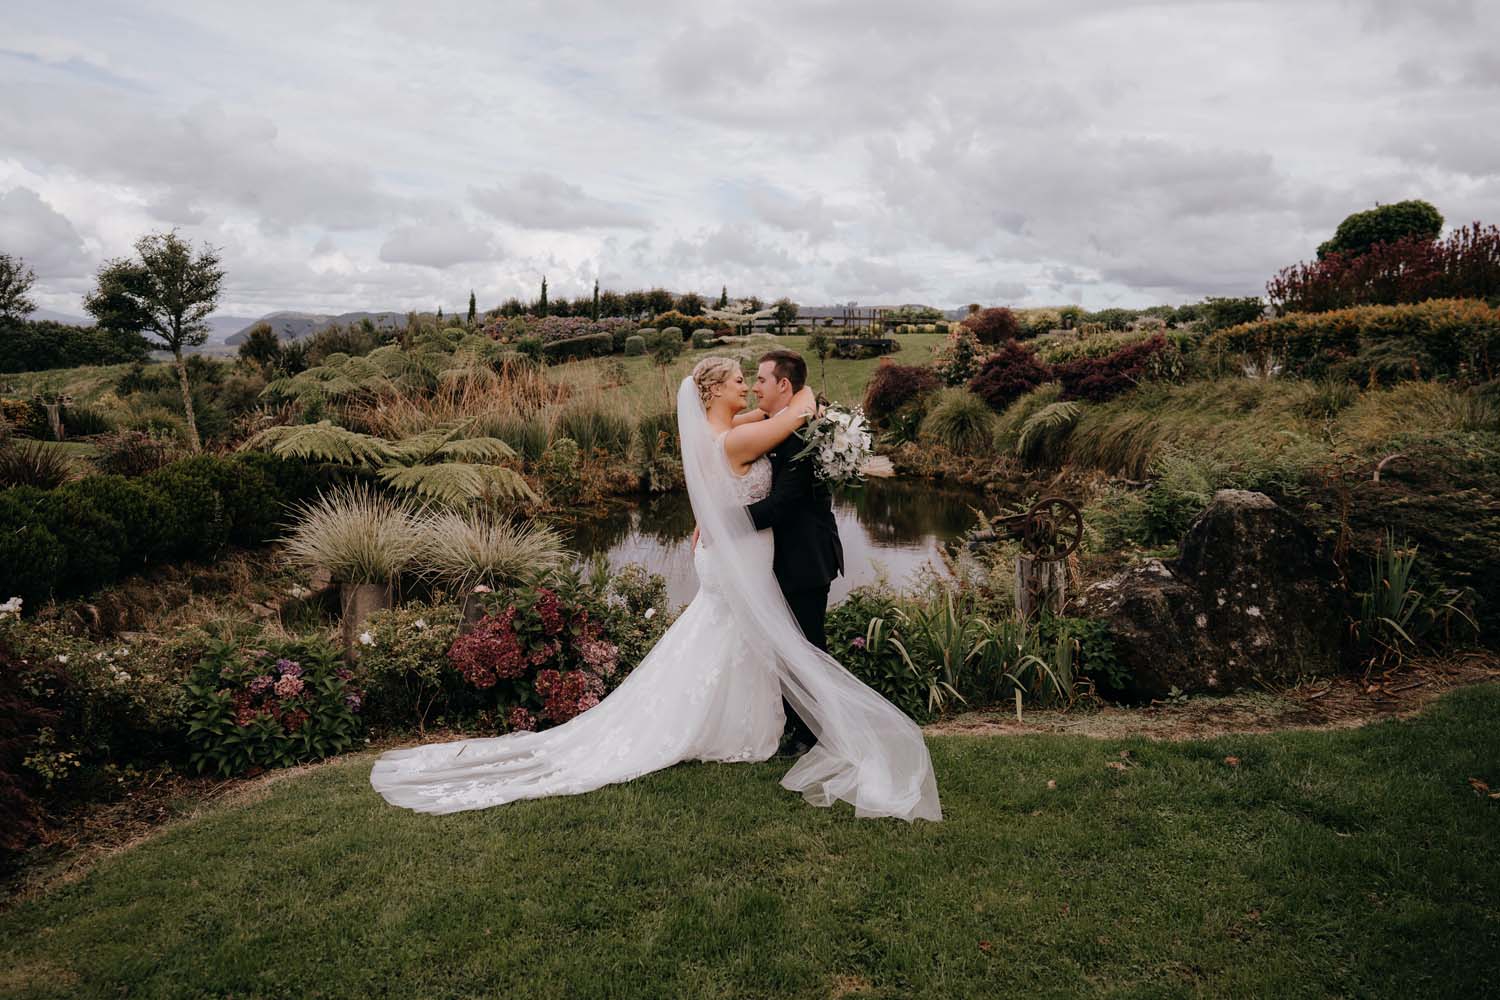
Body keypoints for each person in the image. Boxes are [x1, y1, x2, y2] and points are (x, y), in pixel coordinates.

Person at [369, 357, 941, 822]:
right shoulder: (735, 440)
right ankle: (739, 726)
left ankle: (751, 722)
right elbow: (790, 423)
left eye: (752, 378)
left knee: (731, 636)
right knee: (736, 634)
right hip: (735, 556)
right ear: (715, 390)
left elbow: (755, 446)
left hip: (730, 551)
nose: (747, 386)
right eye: (740, 380)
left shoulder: (727, 429)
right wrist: (807, 399)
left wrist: (716, 511)